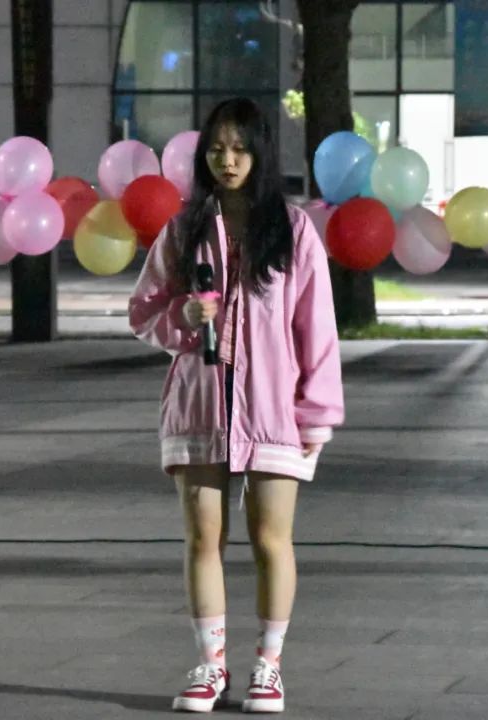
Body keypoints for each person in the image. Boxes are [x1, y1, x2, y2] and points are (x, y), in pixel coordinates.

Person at [129, 97, 344, 713]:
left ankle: (268, 669)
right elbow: (143, 312)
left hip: (274, 413)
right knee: (204, 537)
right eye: (218, 150)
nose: (228, 161)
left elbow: (316, 330)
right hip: (200, 407)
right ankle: (210, 665)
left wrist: (316, 412)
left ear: (260, 154)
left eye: (240, 149)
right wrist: (183, 314)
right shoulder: (184, 229)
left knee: (271, 539)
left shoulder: (293, 230)